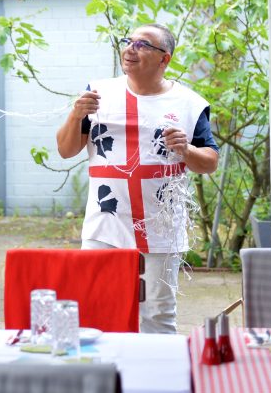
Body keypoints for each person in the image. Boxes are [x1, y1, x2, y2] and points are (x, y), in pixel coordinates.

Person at [56, 23, 218, 334]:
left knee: (157, 316)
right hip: (105, 222)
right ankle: (104, 379)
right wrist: (76, 115)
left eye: (143, 44)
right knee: (97, 310)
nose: (131, 48)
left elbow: (209, 162)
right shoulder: (98, 94)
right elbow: (66, 149)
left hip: (160, 226)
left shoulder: (188, 103)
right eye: (128, 41)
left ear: (164, 59)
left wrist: (185, 150)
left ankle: (158, 380)